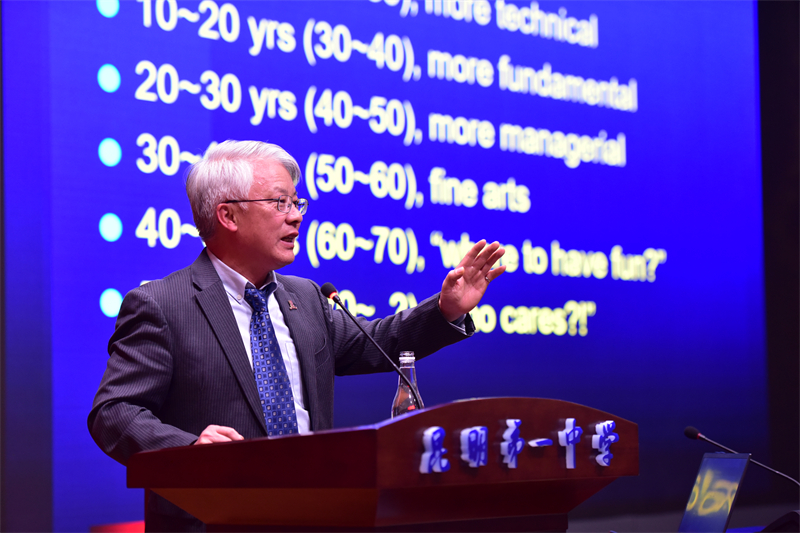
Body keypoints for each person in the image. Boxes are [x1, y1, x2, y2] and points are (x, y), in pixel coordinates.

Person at [88, 140, 505, 531]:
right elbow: (114, 412)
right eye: (279, 202)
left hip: (314, 516)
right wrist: (191, 448)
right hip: (215, 520)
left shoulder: (305, 297)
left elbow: (378, 343)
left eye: (296, 202)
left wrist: (447, 308)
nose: (296, 215)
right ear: (228, 215)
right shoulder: (163, 305)